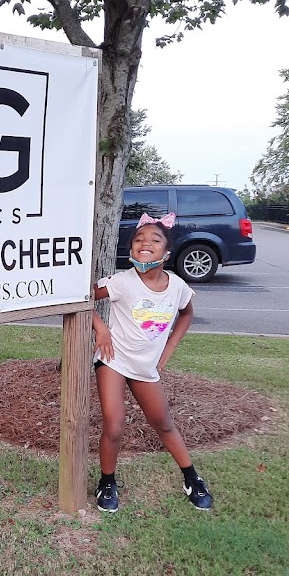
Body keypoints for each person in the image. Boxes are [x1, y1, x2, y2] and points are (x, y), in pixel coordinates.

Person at [92, 211, 213, 512]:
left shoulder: (178, 286)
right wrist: (101, 329)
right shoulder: (121, 282)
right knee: (115, 424)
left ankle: (192, 479)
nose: (145, 243)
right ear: (131, 249)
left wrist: (169, 348)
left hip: (145, 367)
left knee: (163, 423)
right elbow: (82, 298)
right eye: (139, 239)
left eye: (155, 240)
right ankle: (107, 482)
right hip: (114, 359)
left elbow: (187, 313)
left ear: (167, 251)